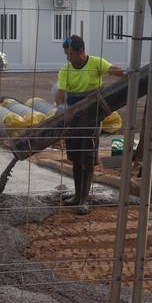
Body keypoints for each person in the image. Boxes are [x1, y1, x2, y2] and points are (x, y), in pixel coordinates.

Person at [55, 35, 124, 215]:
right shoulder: (65, 69)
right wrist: (60, 106)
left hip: (92, 118)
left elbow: (111, 69)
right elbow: (61, 91)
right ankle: (77, 196)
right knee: (76, 159)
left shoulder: (95, 63)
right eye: (66, 54)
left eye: (70, 53)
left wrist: (125, 72)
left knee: (87, 159)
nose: (67, 57)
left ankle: (84, 200)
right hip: (74, 119)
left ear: (80, 52)